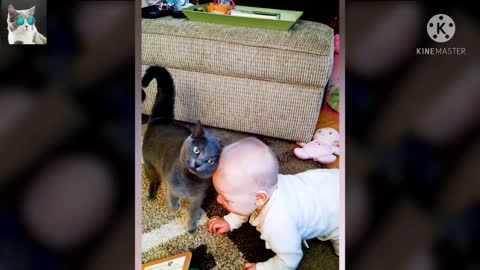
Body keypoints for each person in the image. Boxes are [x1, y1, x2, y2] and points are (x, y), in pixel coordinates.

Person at [207, 137, 339, 270]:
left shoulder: (277, 225)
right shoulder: (263, 189)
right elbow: (247, 205)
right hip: (330, 182)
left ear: (260, 197)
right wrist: (230, 221)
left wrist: (262, 268)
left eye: (226, 198)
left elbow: (290, 260)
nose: (218, 200)